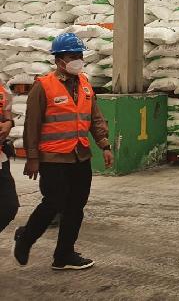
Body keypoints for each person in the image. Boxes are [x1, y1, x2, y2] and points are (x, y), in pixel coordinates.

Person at [14, 32, 113, 271]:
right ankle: (26, 237)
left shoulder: (85, 84)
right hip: (53, 157)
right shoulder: (43, 85)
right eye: (72, 56)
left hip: (80, 154)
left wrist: (105, 145)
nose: (78, 60)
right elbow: (32, 124)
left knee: (76, 207)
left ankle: (64, 255)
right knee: (53, 202)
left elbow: (95, 118)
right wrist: (32, 158)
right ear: (59, 60)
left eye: (80, 55)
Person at [0, 79, 19, 233]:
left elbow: (7, 114)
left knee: (9, 206)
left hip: (0, 158)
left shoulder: (1, 87)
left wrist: (9, 123)